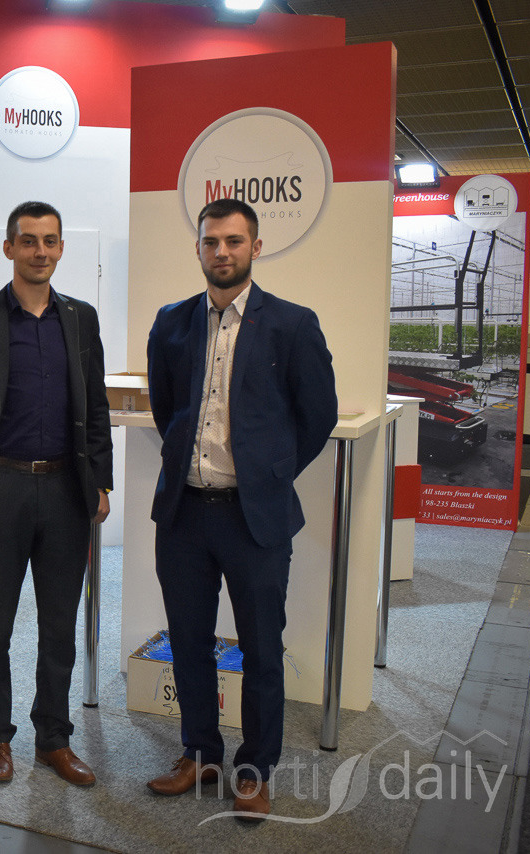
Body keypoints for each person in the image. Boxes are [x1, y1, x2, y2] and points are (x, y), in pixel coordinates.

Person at [144, 197, 338, 819]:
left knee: (260, 647)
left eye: (233, 241)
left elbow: (318, 416)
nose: (221, 252)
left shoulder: (293, 324)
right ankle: (200, 753)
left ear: (255, 247)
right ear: (198, 248)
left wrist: (270, 475)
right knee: (189, 642)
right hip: (183, 514)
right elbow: (166, 409)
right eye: (211, 242)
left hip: (255, 517)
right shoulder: (171, 323)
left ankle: (254, 770)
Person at [0, 201, 113, 787]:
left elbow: (96, 407)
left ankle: (53, 738)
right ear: (9, 248)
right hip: (0, 487)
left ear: (61, 248)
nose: (40, 251)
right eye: (29, 241)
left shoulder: (81, 319)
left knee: (60, 623)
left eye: (50, 241)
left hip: (65, 490)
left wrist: (101, 480)